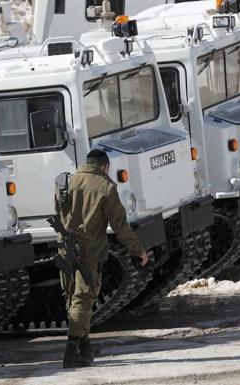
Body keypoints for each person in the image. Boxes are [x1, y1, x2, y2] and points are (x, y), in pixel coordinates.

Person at [55, 149, 148, 368]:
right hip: (88, 252)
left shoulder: (64, 182)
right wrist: (138, 251)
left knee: (72, 297)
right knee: (84, 298)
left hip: (65, 250)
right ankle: (72, 350)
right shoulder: (106, 188)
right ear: (105, 166)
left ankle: (84, 347)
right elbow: (120, 227)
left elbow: (58, 216)